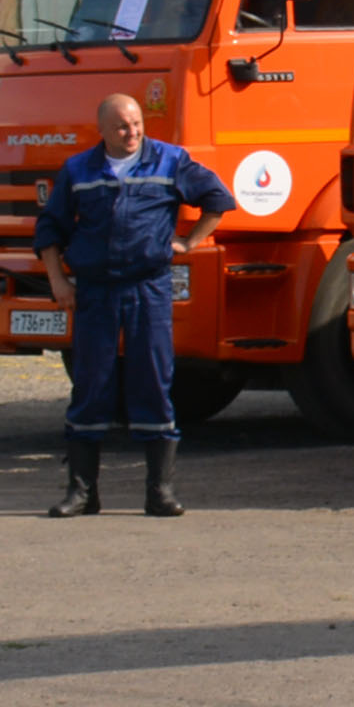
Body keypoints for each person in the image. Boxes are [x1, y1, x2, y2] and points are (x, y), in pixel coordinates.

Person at [32, 94, 235, 517]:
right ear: (102, 131)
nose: (133, 133)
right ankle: (82, 494)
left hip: (149, 289)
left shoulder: (170, 161)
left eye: (138, 124)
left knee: (154, 384)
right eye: (123, 126)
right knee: (90, 386)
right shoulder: (78, 170)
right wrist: (58, 280)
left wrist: (189, 241)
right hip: (95, 291)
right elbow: (50, 226)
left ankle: (159, 493)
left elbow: (217, 198)